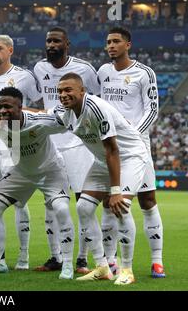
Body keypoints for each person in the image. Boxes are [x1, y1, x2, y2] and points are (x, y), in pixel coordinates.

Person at [53, 72, 150, 285]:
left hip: (128, 156)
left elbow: (113, 150)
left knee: (121, 206)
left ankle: (126, 270)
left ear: (82, 90)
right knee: (83, 208)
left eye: (68, 90)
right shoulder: (65, 111)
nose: (63, 95)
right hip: (102, 160)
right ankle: (102, 267)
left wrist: (115, 191)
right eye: (60, 91)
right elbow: (45, 116)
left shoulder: (96, 108)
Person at [0, 87, 75, 279]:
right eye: (0, 107)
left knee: (61, 209)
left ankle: (68, 265)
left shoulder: (39, 122)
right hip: (21, 172)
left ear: (21, 107)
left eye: (8, 107)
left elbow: (66, 120)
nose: (3, 110)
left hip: (50, 171)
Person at [97, 26, 165, 278]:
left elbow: (152, 109)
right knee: (110, 201)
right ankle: (111, 261)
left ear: (128, 44)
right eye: (108, 42)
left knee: (147, 201)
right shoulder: (103, 72)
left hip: (137, 146)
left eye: (116, 41)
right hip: (110, 146)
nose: (111, 46)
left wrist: (133, 135)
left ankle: (157, 261)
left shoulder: (144, 73)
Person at [33, 27, 99, 274]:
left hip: (78, 144)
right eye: (48, 40)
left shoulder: (85, 69)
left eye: (56, 41)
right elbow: (35, 96)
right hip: (50, 144)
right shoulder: (39, 68)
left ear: (67, 44)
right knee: (51, 203)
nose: (51, 45)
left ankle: (82, 259)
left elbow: (98, 100)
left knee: (83, 202)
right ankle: (55, 257)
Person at [0, 34, 42, 270]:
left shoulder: (24, 77)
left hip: (12, 143)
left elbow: (38, 107)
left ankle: (23, 257)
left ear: (10, 50)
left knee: (19, 202)